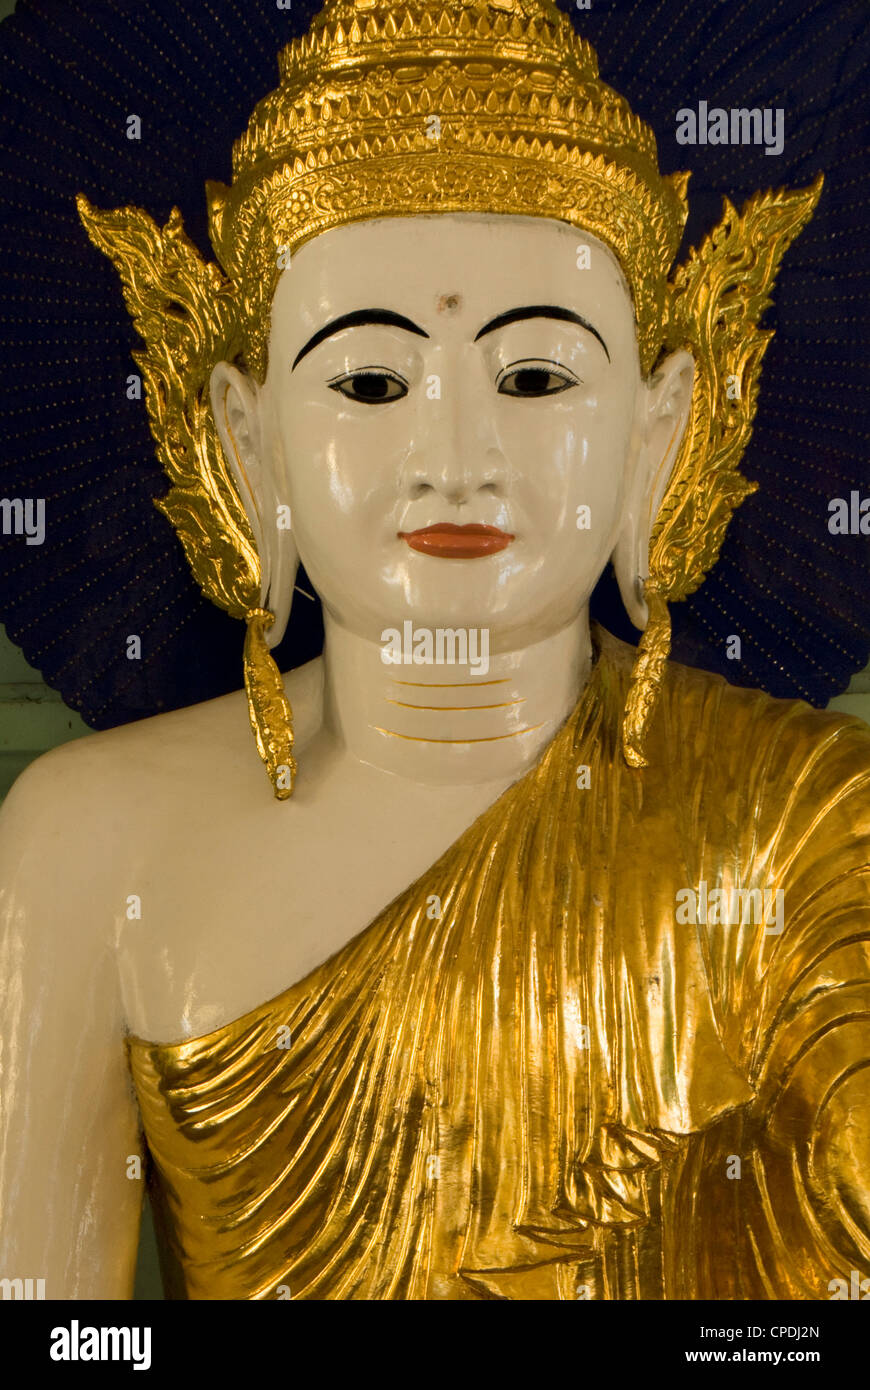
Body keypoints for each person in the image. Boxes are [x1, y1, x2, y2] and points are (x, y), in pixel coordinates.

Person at [0, 0, 867, 1300]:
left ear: (658, 428)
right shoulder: (88, 840)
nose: (454, 456)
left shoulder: (796, 823)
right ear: (244, 437)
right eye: (368, 381)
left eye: (532, 378)